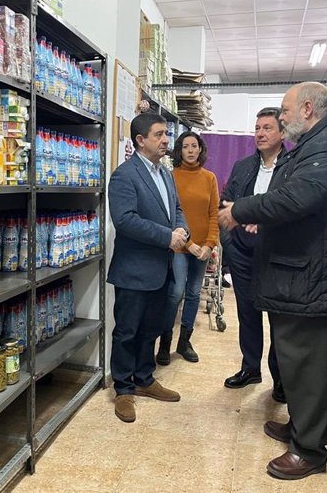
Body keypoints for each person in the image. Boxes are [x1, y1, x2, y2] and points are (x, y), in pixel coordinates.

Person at [218, 82, 327, 480]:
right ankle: (301, 427)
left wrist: (242, 210)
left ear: (307, 108)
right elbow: (296, 200)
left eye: (284, 111)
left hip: (314, 276)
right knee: (299, 360)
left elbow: (296, 198)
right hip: (306, 272)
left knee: (306, 360)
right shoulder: (318, 144)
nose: (280, 117)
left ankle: (309, 450)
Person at [108, 112, 190, 423]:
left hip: (162, 268)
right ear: (141, 140)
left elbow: (176, 209)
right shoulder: (124, 175)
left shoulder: (165, 173)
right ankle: (124, 389)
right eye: (159, 135)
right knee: (127, 331)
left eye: (166, 134)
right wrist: (167, 237)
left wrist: (182, 231)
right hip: (134, 270)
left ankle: (144, 379)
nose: (167, 140)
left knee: (150, 329)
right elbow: (125, 220)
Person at [221, 107, 286, 403]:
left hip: (275, 255)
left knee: (278, 318)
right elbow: (227, 202)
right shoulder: (243, 166)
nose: (259, 133)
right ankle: (250, 369)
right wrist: (230, 243)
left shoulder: (293, 166)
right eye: (257, 128)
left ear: (282, 133)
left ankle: (280, 379)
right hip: (243, 252)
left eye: (267, 128)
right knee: (247, 314)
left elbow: (294, 208)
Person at [156, 132, 219, 365]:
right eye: (185, 146)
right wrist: (190, 244)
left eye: (194, 146)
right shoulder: (170, 177)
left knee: (194, 293)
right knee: (175, 293)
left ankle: (184, 342)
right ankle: (164, 342)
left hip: (203, 249)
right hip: (180, 246)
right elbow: (170, 216)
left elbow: (214, 213)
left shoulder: (209, 178)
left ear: (200, 149)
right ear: (179, 151)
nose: (191, 150)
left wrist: (209, 244)